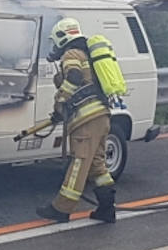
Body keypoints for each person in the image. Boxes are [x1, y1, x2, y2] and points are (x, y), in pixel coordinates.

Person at [35, 17, 117, 224]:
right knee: (97, 165)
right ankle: (107, 209)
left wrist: (60, 101)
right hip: (101, 116)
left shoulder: (71, 54)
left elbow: (73, 77)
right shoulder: (87, 54)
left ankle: (61, 209)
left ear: (62, 38)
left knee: (79, 163)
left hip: (86, 119)